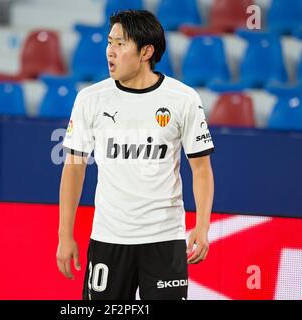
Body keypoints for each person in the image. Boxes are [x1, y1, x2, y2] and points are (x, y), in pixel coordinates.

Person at [56, 9, 214, 300]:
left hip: (164, 239)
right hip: (108, 238)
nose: (110, 51)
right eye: (109, 41)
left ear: (146, 52)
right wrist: (64, 235)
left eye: (120, 43)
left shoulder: (183, 99)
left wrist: (202, 227)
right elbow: (74, 167)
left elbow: (201, 168)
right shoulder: (90, 99)